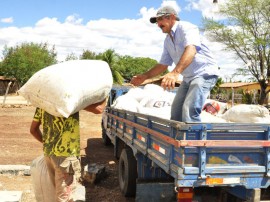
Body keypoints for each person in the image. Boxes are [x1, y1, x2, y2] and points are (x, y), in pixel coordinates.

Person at [130, 5, 219, 122]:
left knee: (189, 110)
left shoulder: (186, 28)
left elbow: (191, 49)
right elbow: (163, 64)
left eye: (161, 19)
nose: (158, 24)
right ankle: (177, 139)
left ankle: (192, 140)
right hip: (188, 78)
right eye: (157, 21)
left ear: (172, 17)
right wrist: (145, 76)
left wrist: (175, 73)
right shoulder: (168, 40)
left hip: (204, 73)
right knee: (176, 113)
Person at [30, 99, 107, 202]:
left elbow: (33, 130)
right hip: (65, 158)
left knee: (59, 194)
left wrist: (48, 143)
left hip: (49, 154)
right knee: (65, 198)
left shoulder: (44, 102)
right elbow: (99, 109)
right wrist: (104, 93)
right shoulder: (70, 101)